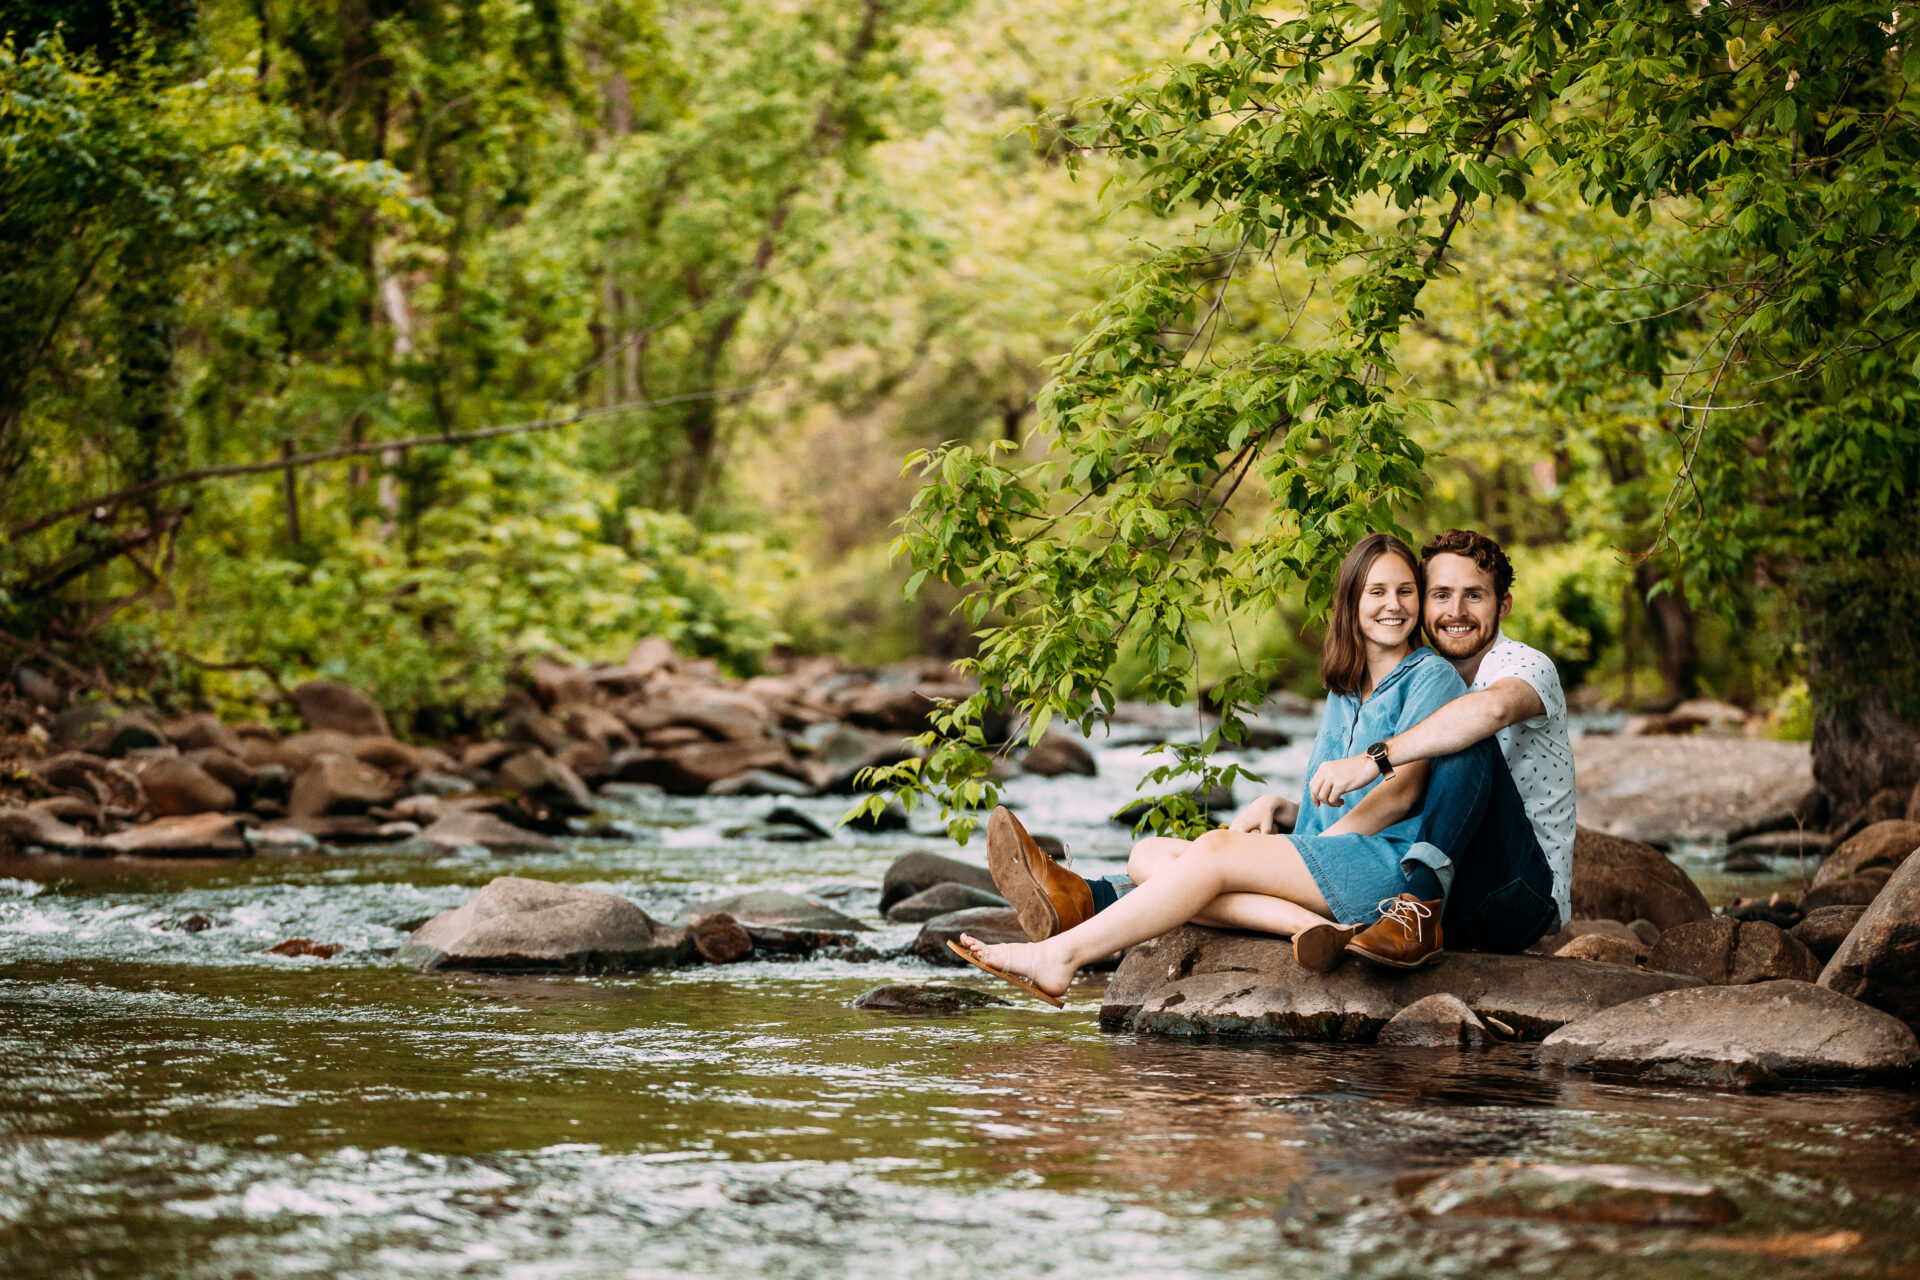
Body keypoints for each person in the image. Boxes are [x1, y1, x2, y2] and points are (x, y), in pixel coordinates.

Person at [954, 533, 1466, 1006]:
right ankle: (1307, 926)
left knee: (1214, 852)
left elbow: (1403, 793)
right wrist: (1281, 809)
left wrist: (1296, 850)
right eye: (1377, 591)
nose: (1393, 605)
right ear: (1351, 601)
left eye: (1405, 591)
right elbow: (1333, 794)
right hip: (1322, 858)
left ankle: (1061, 953)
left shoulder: (1431, 676)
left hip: (1382, 868)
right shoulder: (1344, 690)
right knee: (1147, 855)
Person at [1265, 528, 1574, 957]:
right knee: (1444, 726)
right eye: (1441, 595)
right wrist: (1287, 812)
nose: (1456, 611)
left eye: (1474, 596)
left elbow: (1493, 712)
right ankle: (1396, 914)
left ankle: (1417, 913)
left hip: (1514, 891)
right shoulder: (1422, 678)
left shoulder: (1527, 665)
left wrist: (1375, 760)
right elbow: (1411, 802)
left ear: (1503, 605)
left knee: (1461, 728)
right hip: (1447, 886)